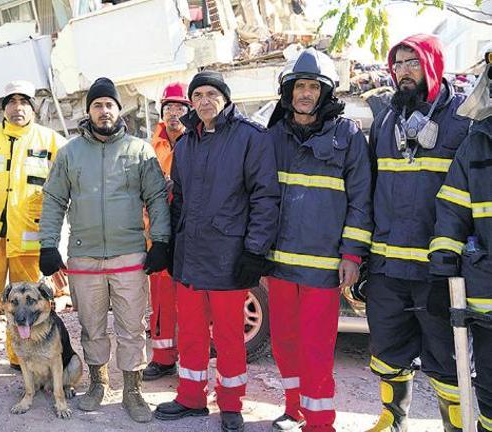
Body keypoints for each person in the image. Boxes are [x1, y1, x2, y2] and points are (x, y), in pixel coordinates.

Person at [154, 70, 280, 432]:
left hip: (229, 258)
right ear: (192, 102)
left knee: (228, 337)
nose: (204, 101)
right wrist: (169, 245)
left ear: (225, 99)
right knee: (191, 333)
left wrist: (255, 252)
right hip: (190, 258)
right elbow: (177, 201)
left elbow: (265, 198)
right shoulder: (187, 144)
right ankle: (191, 397)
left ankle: (230, 405)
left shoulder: (250, 138)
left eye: (212, 94)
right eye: (199, 95)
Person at [38, 77, 170, 423]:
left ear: (118, 109)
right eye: (97, 105)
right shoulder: (70, 153)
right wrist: (48, 244)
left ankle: (132, 388)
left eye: (109, 104)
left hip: (129, 254)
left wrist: (161, 241)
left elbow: (157, 198)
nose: (104, 110)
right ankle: (98, 382)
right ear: (89, 111)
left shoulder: (139, 151)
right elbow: (53, 200)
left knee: (131, 326)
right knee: (91, 325)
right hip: (84, 255)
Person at [366, 34, 472, 432]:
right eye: (398, 65)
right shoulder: (385, 121)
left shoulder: (462, 120)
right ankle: (393, 421)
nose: (403, 73)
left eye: (412, 63)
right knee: (388, 350)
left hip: (439, 269)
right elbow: (370, 189)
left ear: (432, 64)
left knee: (447, 357)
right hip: (388, 268)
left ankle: (456, 426)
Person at [265, 48, 372, 431]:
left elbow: (361, 200)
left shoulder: (348, 136)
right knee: (283, 345)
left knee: (315, 350)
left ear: (325, 93)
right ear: (289, 91)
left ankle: (321, 422)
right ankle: (294, 408)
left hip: (322, 268)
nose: (305, 93)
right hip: (279, 265)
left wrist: (352, 255)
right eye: (300, 86)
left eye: (313, 86)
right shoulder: (273, 136)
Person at [0, 80, 66, 383]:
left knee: (26, 303)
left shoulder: (51, 141)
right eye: (12, 101)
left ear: (33, 108)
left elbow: (64, 190)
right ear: (3, 107)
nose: (18, 107)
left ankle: (17, 356)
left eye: (24, 101)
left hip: (28, 242)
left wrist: (54, 241)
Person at [429, 50, 492, 432]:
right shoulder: (477, 144)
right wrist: (443, 270)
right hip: (487, 304)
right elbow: (452, 210)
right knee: (488, 389)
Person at [143, 82, 192, 381]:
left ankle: (190, 357)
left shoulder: (197, 141)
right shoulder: (151, 146)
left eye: (180, 107)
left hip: (188, 232)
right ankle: (162, 358)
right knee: (160, 300)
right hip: (158, 232)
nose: (174, 113)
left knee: (188, 301)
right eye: (169, 108)